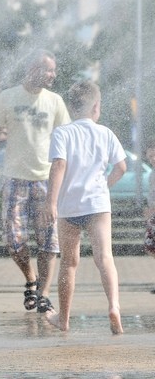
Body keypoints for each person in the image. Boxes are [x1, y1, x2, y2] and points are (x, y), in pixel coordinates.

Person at [0, 50, 71, 313]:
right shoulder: (8, 97)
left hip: (46, 180)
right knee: (13, 238)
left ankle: (43, 294)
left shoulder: (55, 101)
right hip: (15, 180)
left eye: (54, 70)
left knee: (49, 241)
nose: (53, 75)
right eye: (48, 70)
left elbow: (66, 142)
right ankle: (31, 279)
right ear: (33, 68)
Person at [43, 80, 125, 334]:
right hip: (98, 205)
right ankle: (114, 307)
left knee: (69, 263)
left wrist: (51, 202)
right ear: (96, 107)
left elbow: (58, 166)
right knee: (104, 258)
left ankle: (64, 319)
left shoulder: (63, 133)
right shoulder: (106, 133)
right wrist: (104, 187)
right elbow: (121, 167)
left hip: (69, 207)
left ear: (70, 107)